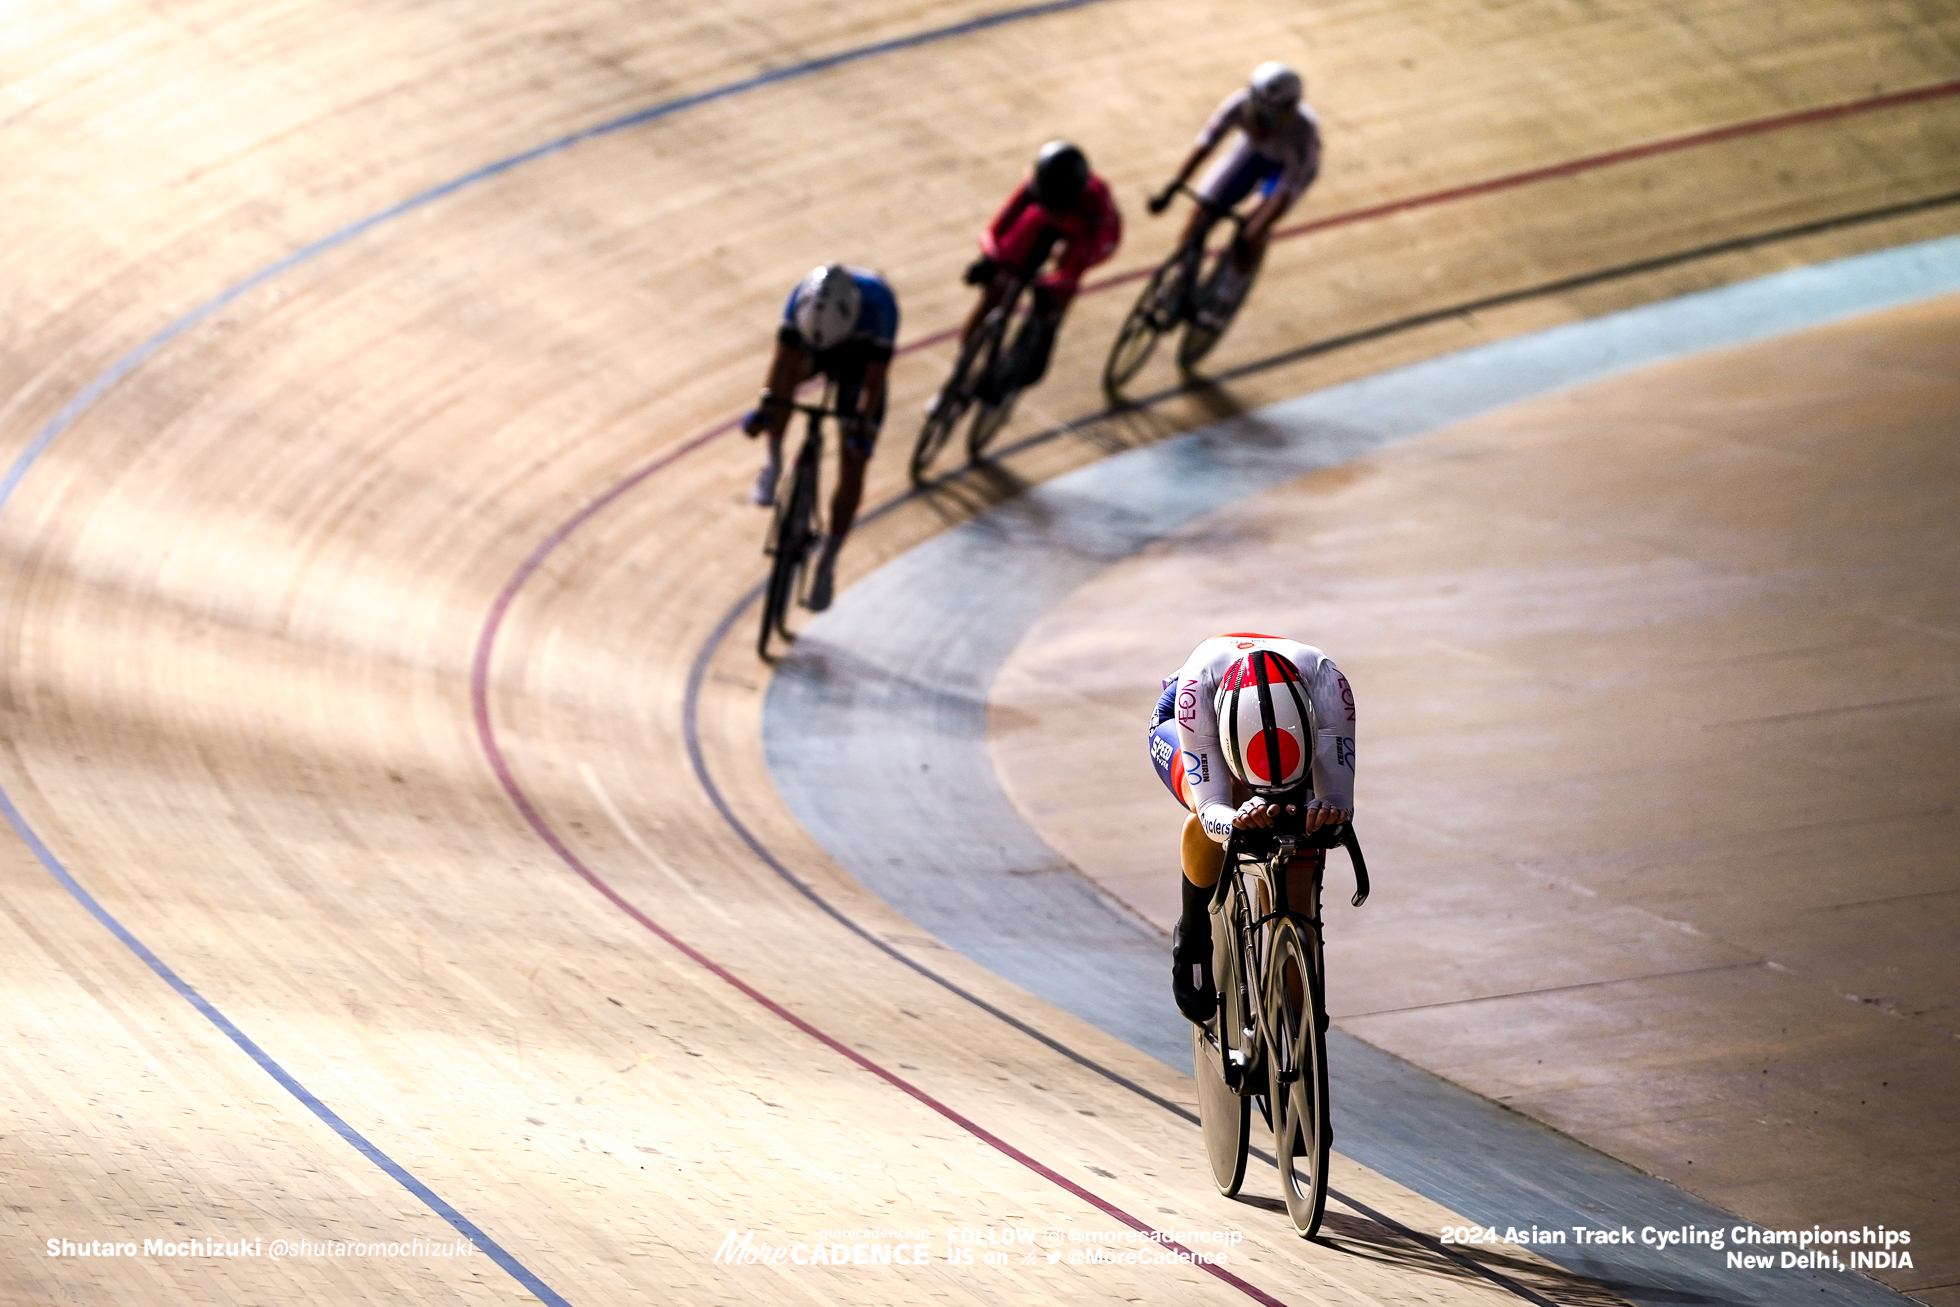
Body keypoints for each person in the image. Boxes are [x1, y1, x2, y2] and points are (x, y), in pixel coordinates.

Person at [1147, 633, 1355, 1022]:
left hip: (1289, 728)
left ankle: (1294, 1018)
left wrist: (1328, 814)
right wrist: (1236, 819)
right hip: (1189, 722)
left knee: (1300, 860)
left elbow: (1340, 801)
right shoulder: (1197, 685)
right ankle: (1193, 935)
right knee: (1208, 807)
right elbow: (1212, 809)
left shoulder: (1327, 681)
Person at [743, 263, 900, 612]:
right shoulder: (801, 298)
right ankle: (773, 465)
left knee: (854, 460)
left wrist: (860, 427)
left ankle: (828, 561)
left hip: (860, 366)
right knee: (781, 389)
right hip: (815, 348)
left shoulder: (882, 306)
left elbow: (873, 384)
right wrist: (768, 405)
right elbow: (782, 362)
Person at [1146, 62, 1320, 325]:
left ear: (1292, 109)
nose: (1264, 126)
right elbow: (1205, 145)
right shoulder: (1237, 105)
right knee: (1202, 212)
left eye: (1273, 119)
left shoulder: (1303, 131)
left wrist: (1256, 228)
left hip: (1284, 174)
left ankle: (1226, 298)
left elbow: (1284, 194)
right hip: (1250, 155)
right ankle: (1180, 276)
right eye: (1258, 116)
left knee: (1250, 234)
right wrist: (1173, 186)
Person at [956, 140, 1121, 396]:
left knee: (1055, 292)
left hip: (1089, 238)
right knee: (997, 286)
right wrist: (991, 259)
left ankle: (1042, 335)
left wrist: (1048, 284)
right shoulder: (1035, 185)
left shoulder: (1095, 206)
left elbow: (1072, 272)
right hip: (1044, 226)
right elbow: (994, 230)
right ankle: (961, 368)